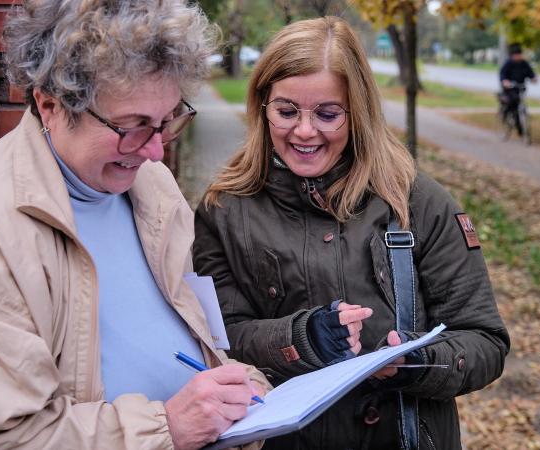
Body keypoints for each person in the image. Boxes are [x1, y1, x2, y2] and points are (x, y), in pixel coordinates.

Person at [0, 1, 269, 449]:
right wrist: (167, 427)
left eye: (167, 121)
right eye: (132, 126)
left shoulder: (151, 187)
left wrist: (229, 381)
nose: (154, 152)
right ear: (49, 104)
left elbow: (174, 331)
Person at [193, 16, 510, 450]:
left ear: (357, 112)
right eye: (287, 111)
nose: (304, 131)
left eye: (327, 114)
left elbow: (484, 341)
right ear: (262, 106)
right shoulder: (224, 210)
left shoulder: (417, 203)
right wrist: (299, 339)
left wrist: (416, 361)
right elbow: (218, 340)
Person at [499, 43, 537, 136]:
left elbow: (531, 73)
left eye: (519, 55)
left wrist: (534, 78)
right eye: (516, 55)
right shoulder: (508, 63)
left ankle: (521, 128)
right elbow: (502, 74)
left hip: (521, 87)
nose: (518, 57)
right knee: (512, 103)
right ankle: (505, 114)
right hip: (510, 89)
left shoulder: (524, 63)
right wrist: (505, 81)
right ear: (512, 55)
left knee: (520, 106)